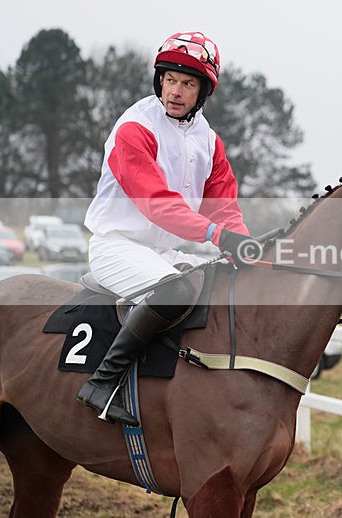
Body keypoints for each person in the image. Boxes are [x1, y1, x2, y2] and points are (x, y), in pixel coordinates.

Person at [77, 31, 257, 426]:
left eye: (187, 83)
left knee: (227, 284)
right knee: (174, 291)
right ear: (159, 80)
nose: (175, 91)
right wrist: (215, 236)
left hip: (163, 252)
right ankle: (103, 384)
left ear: (202, 91)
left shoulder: (210, 141)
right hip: (117, 246)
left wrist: (240, 244)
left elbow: (223, 206)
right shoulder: (135, 128)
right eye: (169, 79)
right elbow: (157, 203)